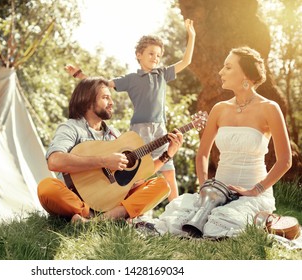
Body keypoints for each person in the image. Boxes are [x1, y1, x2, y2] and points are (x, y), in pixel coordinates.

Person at [147, 46, 292, 238]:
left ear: (245, 75)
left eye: (228, 67)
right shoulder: (219, 109)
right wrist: (204, 188)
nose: (221, 72)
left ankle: (263, 217)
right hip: (215, 192)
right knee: (178, 220)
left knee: (217, 225)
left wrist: (255, 190)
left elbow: (285, 160)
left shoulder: (270, 108)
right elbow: (203, 154)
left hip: (252, 194)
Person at [65, 19, 196, 202]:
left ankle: (176, 210)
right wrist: (80, 75)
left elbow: (186, 60)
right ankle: (127, 206)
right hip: (139, 130)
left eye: (158, 55)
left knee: (168, 167)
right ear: (139, 55)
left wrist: (192, 36)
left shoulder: (163, 74)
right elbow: (101, 85)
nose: (155, 58)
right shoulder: (131, 79)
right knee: (136, 172)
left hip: (159, 128)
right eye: (151, 53)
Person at [37, 77, 183, 223]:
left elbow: (137, 176)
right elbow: (54, 161)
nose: (112, 103)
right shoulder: (71, 128)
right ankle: (94, 215)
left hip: (111, 201)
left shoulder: (114, 135)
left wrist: (167, 154)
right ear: (88, 100)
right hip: (76, 198)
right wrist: (104, 161)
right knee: (46, 188)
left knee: (162, 185)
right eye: (106, 98)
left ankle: (98, 221)